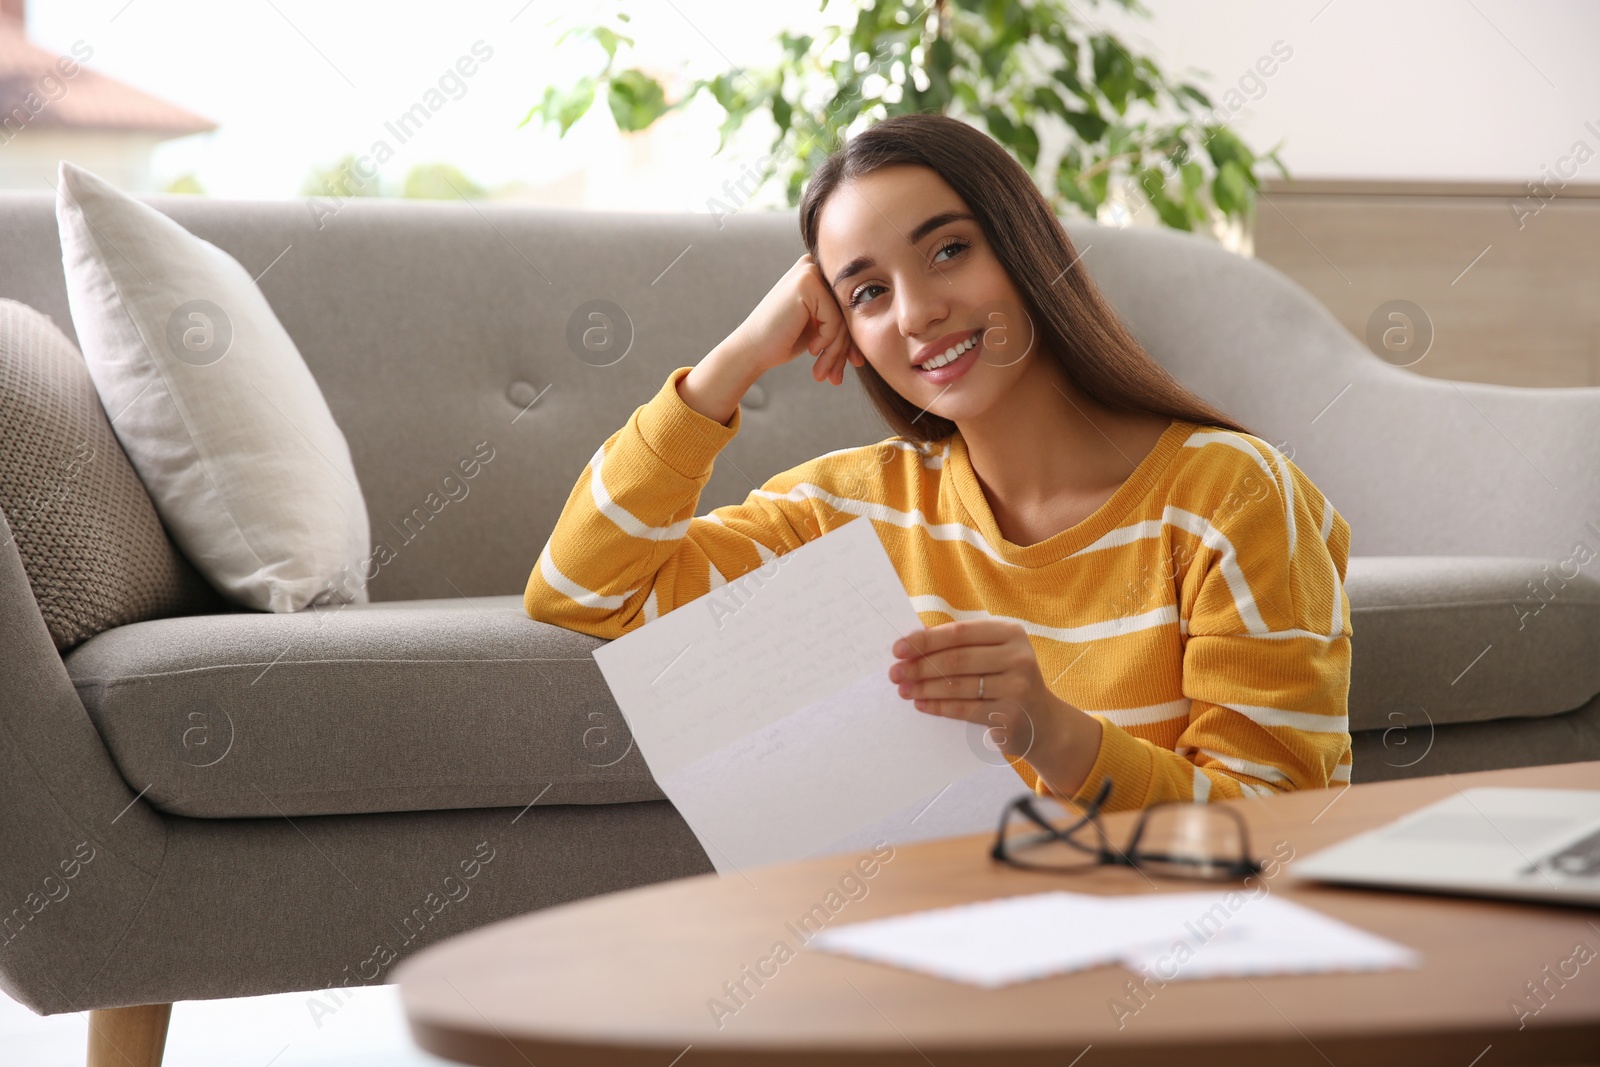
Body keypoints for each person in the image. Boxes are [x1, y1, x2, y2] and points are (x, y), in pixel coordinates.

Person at [525, 113, 1352, 811]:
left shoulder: (1230, 493)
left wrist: (1051, 731)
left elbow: (1277, 822)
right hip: (930, 954)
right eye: (868, 293)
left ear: (1025, 246)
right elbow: (582, 590)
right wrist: (732, 361)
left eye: (949, 250)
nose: (919, 312)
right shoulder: (848, 510)